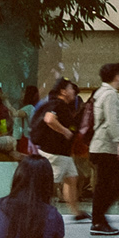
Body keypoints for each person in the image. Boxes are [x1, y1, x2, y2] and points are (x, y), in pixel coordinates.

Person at [31, 77, 85, 221]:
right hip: (55, 153)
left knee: (71, 179)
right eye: (70, 88)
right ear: (63, 91)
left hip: (62, 153)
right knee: (49, 184)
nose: (73, 91)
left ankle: (76, 212)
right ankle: (38, 211)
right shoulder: (58, 104)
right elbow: (49, 119)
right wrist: (65, 131)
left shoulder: (61, 105)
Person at [89, 62, 119, 236]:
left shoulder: (100, 92)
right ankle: (98, 219)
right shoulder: (111, 94)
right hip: (106, 146)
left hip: (100, 144)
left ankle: (98, 219)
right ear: (116, 76)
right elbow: (113, 121)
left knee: (104, 184)